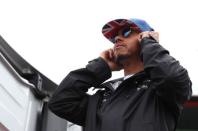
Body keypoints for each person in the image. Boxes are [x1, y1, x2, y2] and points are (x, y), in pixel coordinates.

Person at [48, 18, 192, 131]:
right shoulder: (101, 98)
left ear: (144, 38)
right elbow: (60, 102)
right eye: (114, 38)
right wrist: (100, 66)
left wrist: (150, 44)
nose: (117, 39)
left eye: (127, 32)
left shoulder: (160, 92)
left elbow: (171, 77)